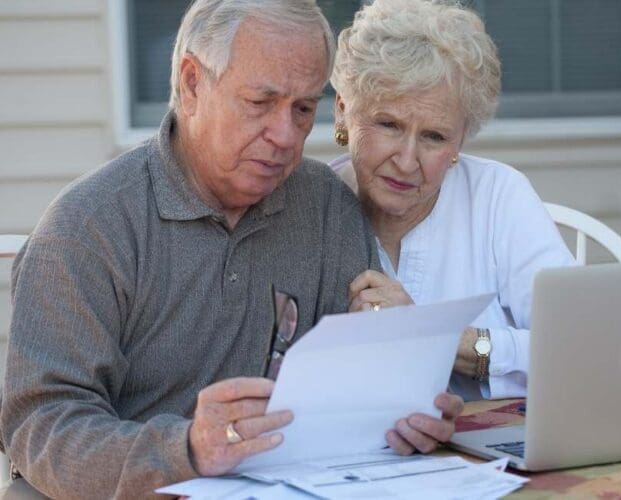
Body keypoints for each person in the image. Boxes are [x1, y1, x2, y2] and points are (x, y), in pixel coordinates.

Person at [0, 1, 463, 498]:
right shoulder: (88, 228)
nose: (286, 135)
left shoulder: (325, 206)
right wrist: (188, 450)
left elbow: (358, 386)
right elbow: (40, 426)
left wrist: (405, 410)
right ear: (192, 83)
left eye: (303, 108)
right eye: (260, 102)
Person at [330, 0, 575, 402]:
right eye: (389, 125)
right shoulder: (309, 210)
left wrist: (435, 336)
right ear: (343, 112)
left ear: (461, 139)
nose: (407, 161)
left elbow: (577, 342)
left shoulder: (498, 196)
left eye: (434, 136)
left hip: (500, 448)